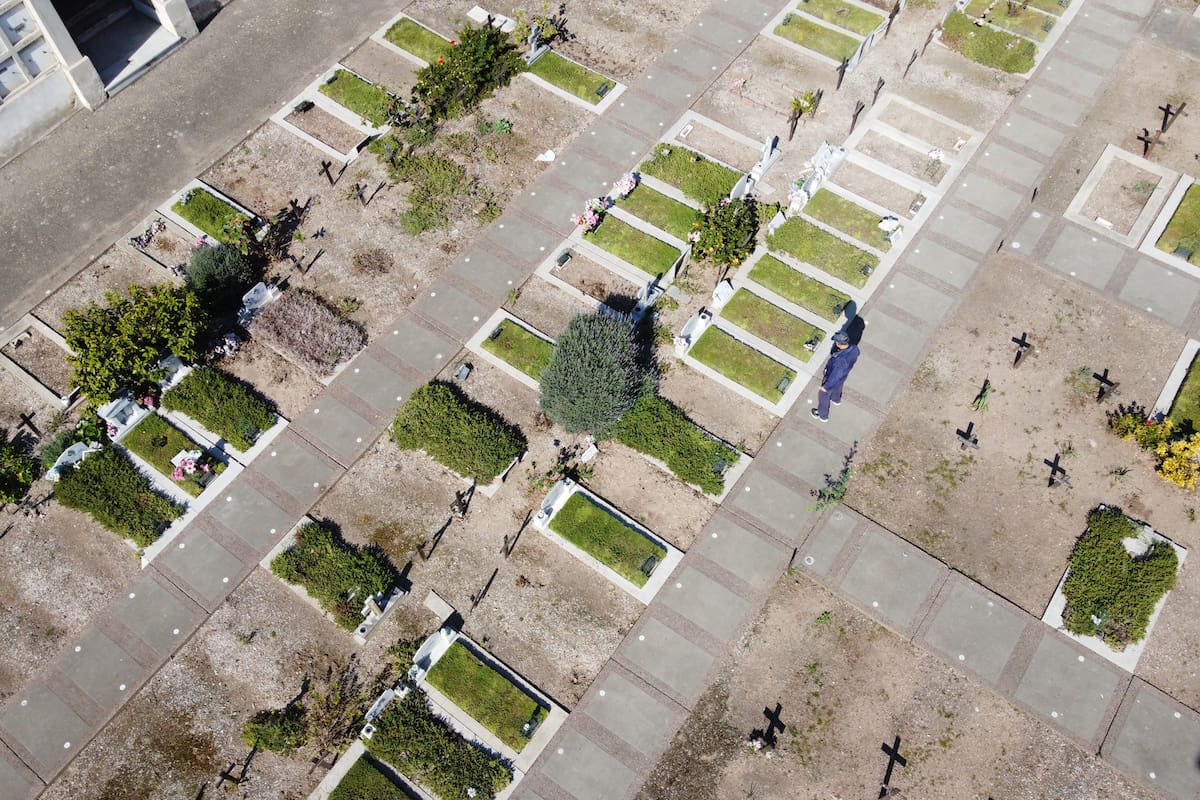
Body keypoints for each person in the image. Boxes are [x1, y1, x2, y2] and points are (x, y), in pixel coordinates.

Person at [812, 330, 859, 422]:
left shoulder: (840, 361)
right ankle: (836, 399)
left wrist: (826, 387)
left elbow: (835, 375)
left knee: (823, 396)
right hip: (843, 375)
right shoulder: (854, 348)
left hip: (832, 378)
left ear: (839, 344)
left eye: (836, 342)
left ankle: (822, 415)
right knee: (838, 387)